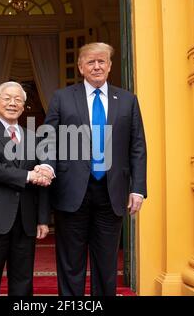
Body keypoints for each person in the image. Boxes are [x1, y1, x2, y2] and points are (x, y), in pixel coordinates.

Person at [41, 42, 147, 296]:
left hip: (112, 192)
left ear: (110, 66)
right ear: (80, 67)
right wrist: (46, 165)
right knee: (70, 263)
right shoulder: (62, 98)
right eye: (90, 62)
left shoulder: (127, 100)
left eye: (102, 61)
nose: (97, 66)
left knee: (107, 263)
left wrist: (138, 189)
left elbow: (138, 147)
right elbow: (48, 139)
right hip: (71, 191)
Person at [0, 81, 52, 296]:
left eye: (18, 100)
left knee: (23, 282)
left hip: (25, 221)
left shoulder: (34, 137)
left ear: (24, 106)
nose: (12, 103)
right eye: (7, 98)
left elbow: (42, 180)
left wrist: (43, 218)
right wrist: (27, 175)